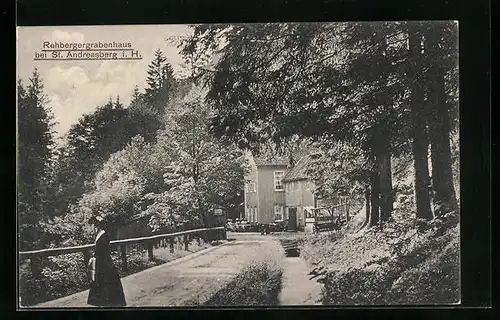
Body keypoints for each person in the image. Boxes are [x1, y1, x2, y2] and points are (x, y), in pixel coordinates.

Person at [87, 215, 127, 307]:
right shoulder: (99, 234)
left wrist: (96, 256)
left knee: (107, 280)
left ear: (98, 225)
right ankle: (103, 301)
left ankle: (111, 301)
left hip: (104, 261)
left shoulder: (103, 235)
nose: (94, 227)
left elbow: (104, 250)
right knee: (101, 280)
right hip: (101, 261)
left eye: (95, 225)